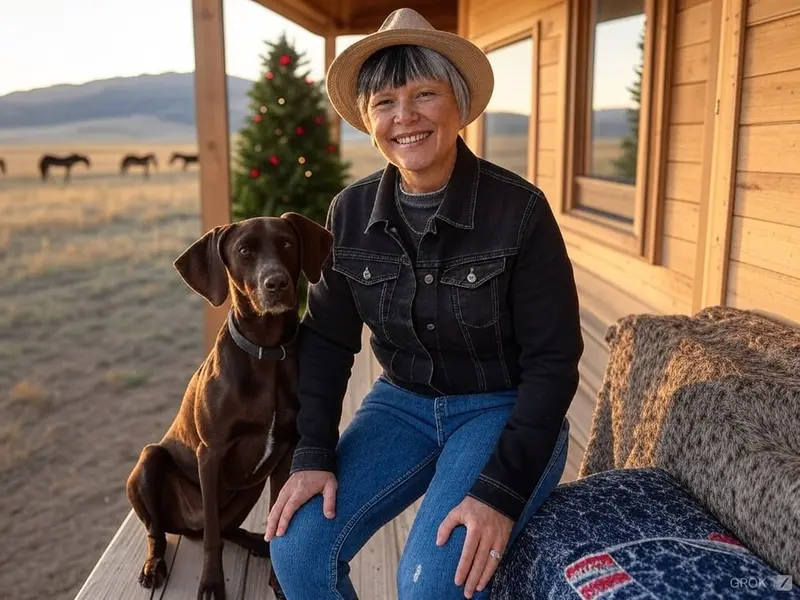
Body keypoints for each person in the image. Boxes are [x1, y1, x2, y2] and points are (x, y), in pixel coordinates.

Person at [266, 7, 583, 599]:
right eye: (384, 102)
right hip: (401, 405)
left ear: (459, 105)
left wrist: (498, 492)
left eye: (424, 94)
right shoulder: (349, 213)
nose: (403, 117)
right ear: (368, 118)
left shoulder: (520, 211)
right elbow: (330, 341)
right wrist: (312, 451)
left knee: (431, 586)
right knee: (297, 547)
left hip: (502, 409)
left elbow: (555, 360)